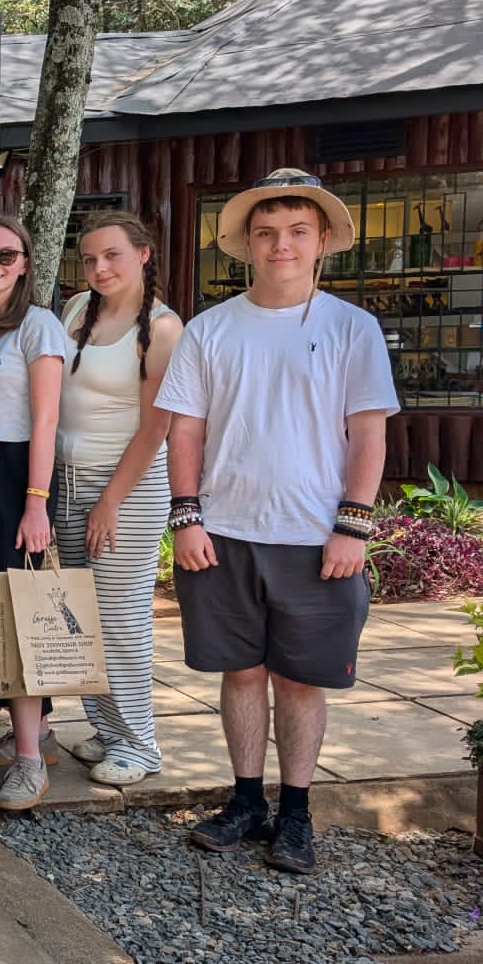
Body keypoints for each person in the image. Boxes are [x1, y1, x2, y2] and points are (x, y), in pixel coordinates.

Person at [159, 170, 397, 876]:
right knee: (239, 673)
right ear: (247, 245)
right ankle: (245, 801)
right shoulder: (210, 330)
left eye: (297, 231)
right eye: (266, 233)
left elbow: (369, 435)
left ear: (322, 240)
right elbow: (186, 435)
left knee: (300, 680)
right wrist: (187, 518)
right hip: (224, 532)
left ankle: (296, 811)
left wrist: (353, 526)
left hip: (315, 538)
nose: (281, 245)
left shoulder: (352, 328)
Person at [52, 213, 183, 785]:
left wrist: (109, 501)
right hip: (68, 480)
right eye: (89, 259)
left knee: (121, 619)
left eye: (112, 256)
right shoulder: (77, 309)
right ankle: (107, 730)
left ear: (143, 255)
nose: (99, 268)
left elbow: (156, 428)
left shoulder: (162, 328)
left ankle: (140, 744)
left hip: (125, 486)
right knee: (84, 617)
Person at [0, 215, 66, 810]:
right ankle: (36, 735)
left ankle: (29, 762)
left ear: (25, 262)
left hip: (13, 470)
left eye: (6, 255)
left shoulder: (38, 326)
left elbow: (46, 420)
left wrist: (35, 501)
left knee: (16, 614)